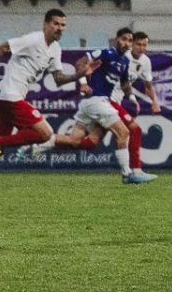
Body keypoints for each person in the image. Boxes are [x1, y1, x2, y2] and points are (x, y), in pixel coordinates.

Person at [0, 8, 95, 196]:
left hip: (3, 97)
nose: (60, 28)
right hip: (10, 95)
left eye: (63, 25)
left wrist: (80, 75)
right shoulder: (33, 40)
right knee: (45, 134)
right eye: (56, 23)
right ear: (45, 24)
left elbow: (58, 78)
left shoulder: (55, 49)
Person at [41, 26, 155, 183]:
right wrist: (82, 82)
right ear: (116, 40)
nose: (126, 43)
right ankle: (128, 174)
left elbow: (125, 83)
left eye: (129, 40)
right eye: (124, 40)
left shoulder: (124, 61)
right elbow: (80, 62)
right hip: (97, 101)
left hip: (92, 103)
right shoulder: (106, 53)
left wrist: (132, 98)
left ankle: (42, 143)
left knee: (77, 140)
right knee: (125, 133)